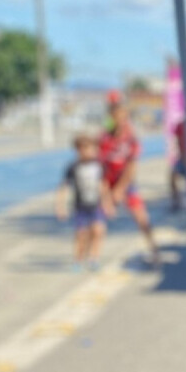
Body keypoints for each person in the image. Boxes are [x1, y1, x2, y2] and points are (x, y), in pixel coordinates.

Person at [100, 101, 160, 265]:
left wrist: (119, 190)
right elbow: (101, 169)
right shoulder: (104, 138)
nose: (120, 120)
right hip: (107, 184)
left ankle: (154, 250)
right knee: (94, 221)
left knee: (142, 218)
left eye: (123, 117)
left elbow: (131, 167)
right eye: (116, 117)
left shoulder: (130, 139)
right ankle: (88, 258)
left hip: (126, 183)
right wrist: (106, 195)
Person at [56, 134, 115, 271]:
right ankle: (78, 259)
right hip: (80, 207)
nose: (89, 152)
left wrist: (108, 204)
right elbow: (64, 188)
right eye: (85, 149)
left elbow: (103, 186)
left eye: (91, 149)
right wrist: (60, 206)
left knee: (98, 231)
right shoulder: (73, 167)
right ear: (78, 150)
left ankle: (94, 258)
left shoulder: (99, 166)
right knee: (81, 235)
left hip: (96, 205)